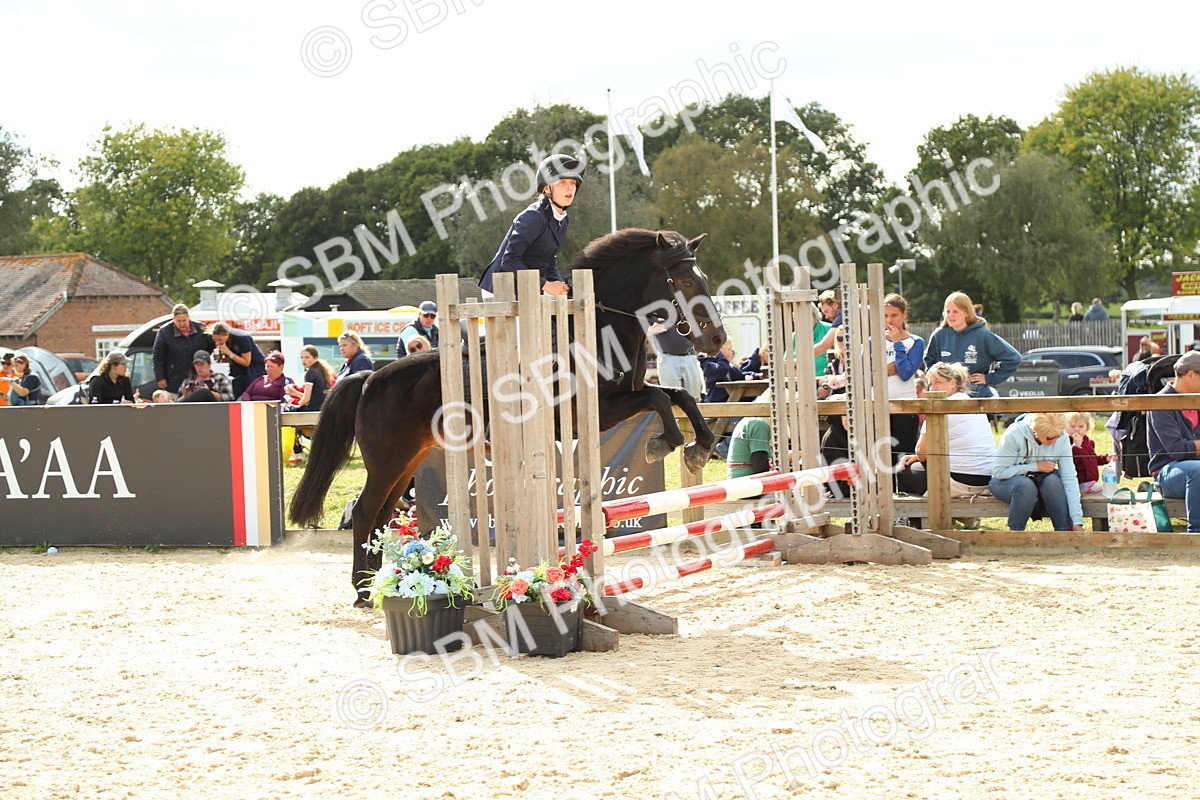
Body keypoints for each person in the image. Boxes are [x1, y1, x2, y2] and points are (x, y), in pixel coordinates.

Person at [479, 153, 581, 298]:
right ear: (546, 188)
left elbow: (549, 259)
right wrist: (546, 286)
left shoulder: (562, 220)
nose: (570, 188)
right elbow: (509, 261)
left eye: (573, 183)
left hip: (525, 290)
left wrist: (558, 284)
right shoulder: (533, 217)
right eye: (562, 182)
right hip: (499, 290)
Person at [897, 362, 996, 499]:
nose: (933, 388)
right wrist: (916, 457)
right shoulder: (971, 403)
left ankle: (914, 518)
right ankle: (962, 515)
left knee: (903, 471)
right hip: (987, 479)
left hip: (959, 480)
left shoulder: (940, 409)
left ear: (953, 383)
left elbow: (922, 453)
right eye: (930, 384)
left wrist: (916, 457)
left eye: (938, 382)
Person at [989, 412, 1084, 532]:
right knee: (1025, 486)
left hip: (1041, 483)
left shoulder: (1062, 439)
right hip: (1006, 482)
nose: (1054, 441)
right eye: (1050, 437)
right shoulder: (1014, 434)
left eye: (1058, 436)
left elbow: (1069, 478)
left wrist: (1077, 520)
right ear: (1035, 430)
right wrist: (1034, 466)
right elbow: (999, 472)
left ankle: (1065, 533)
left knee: (1053, 481)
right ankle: (1014, 535)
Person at [923, 291, 1020, 399]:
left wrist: (989, 378)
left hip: (976, 398)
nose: (950, 315)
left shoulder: (982, 335)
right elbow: (928, 363)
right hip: (945, 399)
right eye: (948, 311)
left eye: (955, 311)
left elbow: (1013, 358)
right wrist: (936, 380)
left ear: (966, 312)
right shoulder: (939, 335)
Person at [1148, 351, 1200, 532]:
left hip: (1189, 468)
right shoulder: (1160, 403)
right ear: (1191, 374)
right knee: (1198, 471)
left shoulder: (1196, 400)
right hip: (1166, 473)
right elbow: (1177, 450)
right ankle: (1196, 533)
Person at [883, 293, 924, 461]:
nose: (889, 320)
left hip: (904, 407)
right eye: (885, 315)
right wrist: (884, 371)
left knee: (902, 459)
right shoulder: (871, 341)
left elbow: (906, 373)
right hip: (878, 406)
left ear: (904, 314)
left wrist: (897, 343)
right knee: (881, 458)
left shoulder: (915, 342)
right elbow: (862, 377)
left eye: (894, 315)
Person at [153, 303, 215, 394]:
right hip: (174, 378)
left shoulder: (201, 328)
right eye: (178, 321)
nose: (182, 324)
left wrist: (201, 358)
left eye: (184, 320)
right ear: (173, 319)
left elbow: (211, 345)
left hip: (197, 377)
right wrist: (160, 377)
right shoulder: (164, 332)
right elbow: (158, 356)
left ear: (189, 317)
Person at [650, 318, 705, 400]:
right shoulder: (655, 310)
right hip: (667, 359)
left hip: (690, 357)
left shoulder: (685, 309)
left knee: (694, 398)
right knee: (671, 399)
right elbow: (641, 328)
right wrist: (652, 329)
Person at [210, 322, 266, 399]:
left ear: (227, 334)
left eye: (220, 339)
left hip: (254, 371)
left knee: (249, 397)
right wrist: (221, 358)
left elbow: (246, 362)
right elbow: (234, 359)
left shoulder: (242, 338)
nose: (218, 342)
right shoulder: (226, 342)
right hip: (238, 373)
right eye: (215, 340)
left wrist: (229, 353)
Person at [1065, 410, 1112, 493]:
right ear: (1065, 428)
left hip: (1091, 481)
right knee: (1104, 490)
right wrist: (1076, 446)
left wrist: (1105, 458)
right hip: (1078, 482)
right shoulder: (1065, 443)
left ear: (1087, 428)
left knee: (1106, 488)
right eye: (1072, 426)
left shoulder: (1089, 442)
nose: (1076, 429)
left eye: (1081, 426)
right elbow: (1070, 461)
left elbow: (1093, 459)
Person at [285, 345, 336, 413]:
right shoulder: (322, 371)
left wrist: (298, 405)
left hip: (313, 409)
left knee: (287, 408)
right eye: (302, 357)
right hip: (324, 409)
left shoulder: (310, 373)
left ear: (315, 357)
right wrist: (295, 393)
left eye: (307, 357)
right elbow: (314, 397)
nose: (303, 360)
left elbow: (306, 399)